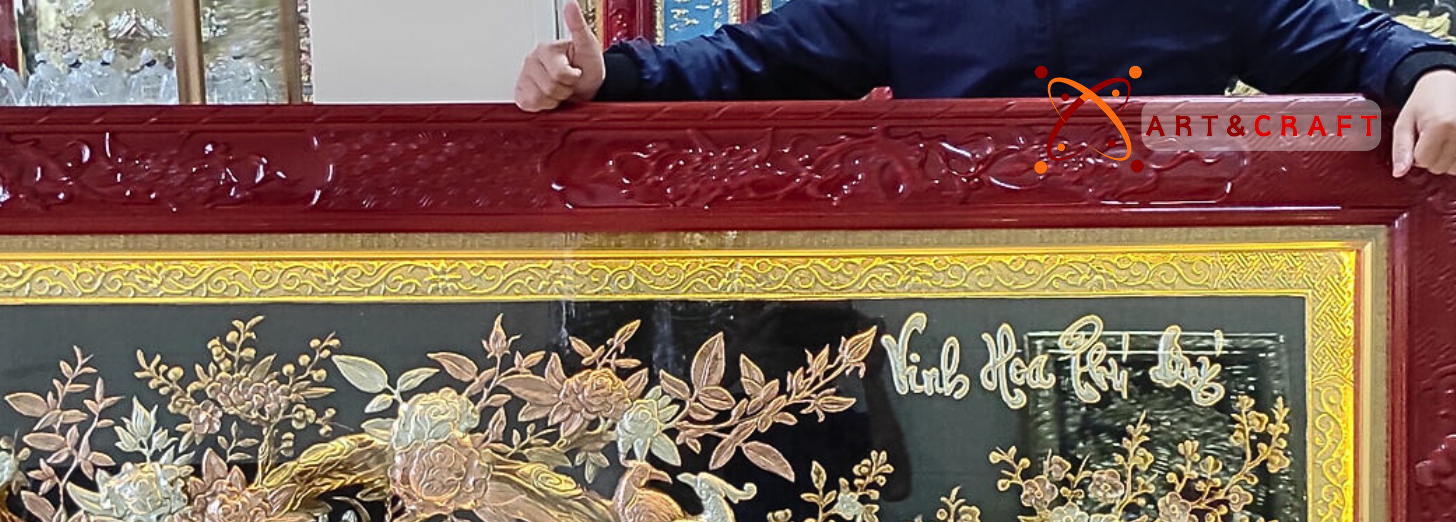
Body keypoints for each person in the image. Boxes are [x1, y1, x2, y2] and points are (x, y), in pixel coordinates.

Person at [516, 0, 1456, 176]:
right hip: (966, 300)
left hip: (1171, 295)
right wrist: (609, 77)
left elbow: (1354, 43)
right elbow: (745, 63)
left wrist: (1433, 75)